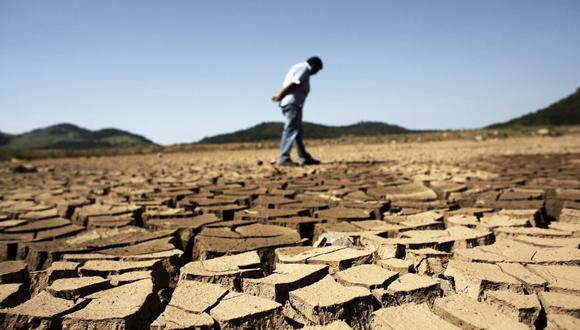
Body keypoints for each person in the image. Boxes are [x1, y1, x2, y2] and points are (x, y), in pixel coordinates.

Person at [271, 56, 323, 166]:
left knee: (297, 132)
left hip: (292, 103)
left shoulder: (299, 67)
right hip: (292, 103)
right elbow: (295, 82)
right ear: (313, 65)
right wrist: (281, 94)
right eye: (317, 70)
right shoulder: (304, 68)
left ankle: (304, 157)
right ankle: (283, 158)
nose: (316, 73)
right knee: (290, 130)